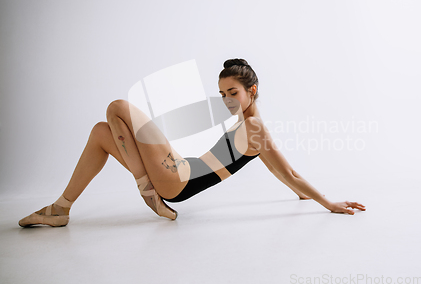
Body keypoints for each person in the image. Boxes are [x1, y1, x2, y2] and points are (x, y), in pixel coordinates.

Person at [18, 59, 365, 227]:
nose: (228, 100)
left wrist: (326, 202)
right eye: (222, 94)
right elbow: (282, 173)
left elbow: (286, 169)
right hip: (178, 171)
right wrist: (301, 195)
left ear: (252, 92)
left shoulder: (255, 127)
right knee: (100, 132)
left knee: (117, 108)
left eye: (234, 93)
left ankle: (145, 188)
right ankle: (60, 209)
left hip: (177, 178)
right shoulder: (247, 127)